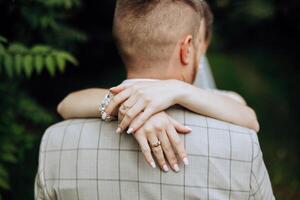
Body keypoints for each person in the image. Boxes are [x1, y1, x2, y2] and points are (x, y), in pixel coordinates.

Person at [35, 0, 275, 199]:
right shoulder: (242, 145)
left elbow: (65, 105)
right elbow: (251, 121)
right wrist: (139, 107)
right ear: (187, 48)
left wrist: (177, 92)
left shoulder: (55, 143)